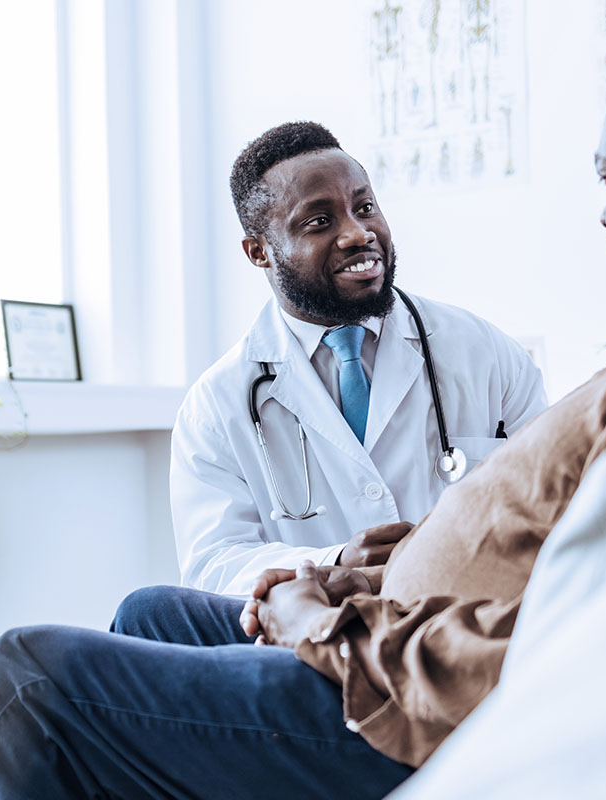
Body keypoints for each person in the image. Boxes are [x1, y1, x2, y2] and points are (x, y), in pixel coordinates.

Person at [0, 9, 606, 800]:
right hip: (394, 639)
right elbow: (551, 545)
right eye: (320, 220)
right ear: (261, 252)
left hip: (405, 710)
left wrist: (322, 625)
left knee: (28, 682)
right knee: (151, 608)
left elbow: (572, 646)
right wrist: (353, 577)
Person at [172, 121, 547, 595]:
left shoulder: (482, 351)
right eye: (320, 221)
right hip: (316, 643)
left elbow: (556, 496)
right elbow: (214, 564)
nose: (358, 234)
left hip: (474, 621)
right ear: (258, 252)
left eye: (364, 207)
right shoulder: (217, 406)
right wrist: (336, 562)